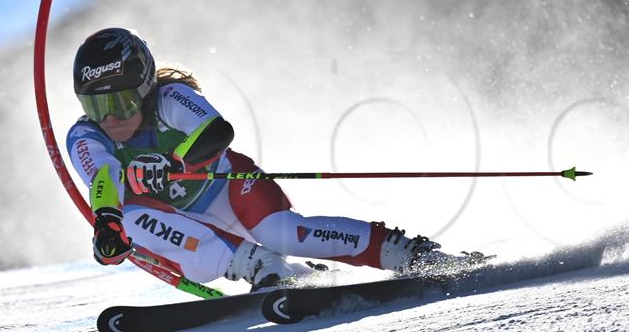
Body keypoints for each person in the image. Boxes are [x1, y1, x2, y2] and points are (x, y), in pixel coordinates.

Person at [67, 28, 480, 290]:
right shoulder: (85, 134)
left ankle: (406, 252)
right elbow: (103, 176)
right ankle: (274, 272)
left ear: (143, 87)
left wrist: (174, 164)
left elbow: (217, 132)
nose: (111, 117)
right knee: (135, 219)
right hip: (191, 223)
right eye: (96, 104)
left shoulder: (171, 98)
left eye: (121, 101)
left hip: (229, 188)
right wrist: (107, 224)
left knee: (285, 233)